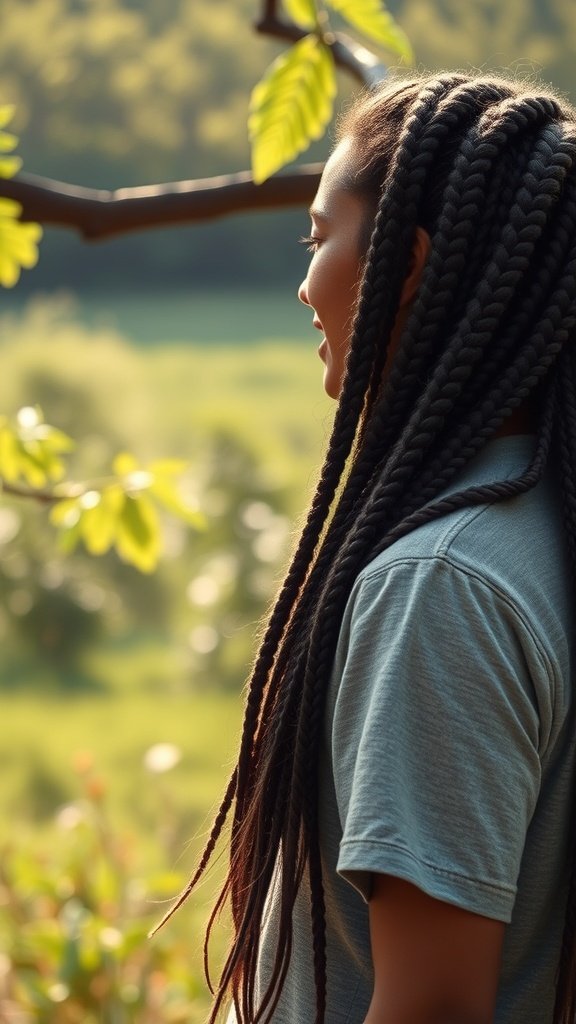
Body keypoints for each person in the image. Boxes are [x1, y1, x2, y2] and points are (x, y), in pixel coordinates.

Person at [157, 72, 576, 1023]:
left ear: (409, 265)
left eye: (317, 237)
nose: (304, 285)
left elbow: (432, 1006)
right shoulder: (539, 532)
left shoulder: (444, 586)